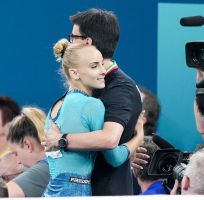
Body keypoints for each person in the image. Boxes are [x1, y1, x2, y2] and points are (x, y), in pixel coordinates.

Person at [44, 8, 142, 195]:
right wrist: (138, 138)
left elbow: (109, 139)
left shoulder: (120, 88)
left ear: (87, 42)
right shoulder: (83, 94)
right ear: (74, 73)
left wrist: (62, 140)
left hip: (106, 192)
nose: (70, 43)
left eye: (73, 37)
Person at [6, 107, 50, 197]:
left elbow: (1, 196)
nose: (18, 161)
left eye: (16, 154)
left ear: (27, 145)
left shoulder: (46, 168)